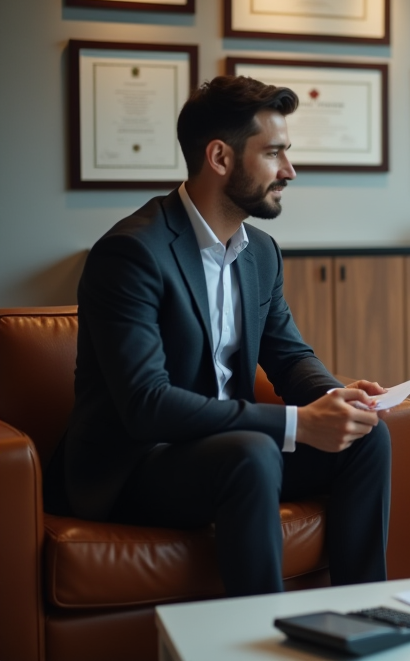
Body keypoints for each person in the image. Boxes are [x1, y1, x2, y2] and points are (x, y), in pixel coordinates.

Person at [49, 76, 392, 596]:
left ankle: (367, 614)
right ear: (220, 157)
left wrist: (332, 398)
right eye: (274, 153)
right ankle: (259, 640)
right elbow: (146, 404)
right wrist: (299, 423)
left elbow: (288, 353)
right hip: (139, 463)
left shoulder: (261, 252)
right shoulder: (131, 254)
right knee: (250, 453)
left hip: (231, 449)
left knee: (367, 439)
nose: (289, 171)